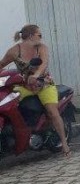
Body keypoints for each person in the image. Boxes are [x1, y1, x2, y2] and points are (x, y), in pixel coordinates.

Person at [0, 25, 71, 157]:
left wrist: (36, 75)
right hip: (24, 86)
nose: (41, 37)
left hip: (44, 84)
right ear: (31, 36)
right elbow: (2, 64)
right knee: (8, 102)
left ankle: (64, 144)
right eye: (39, 35)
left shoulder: (42, 48)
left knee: (52, 112)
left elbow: (43, 63)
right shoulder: (15, 51)